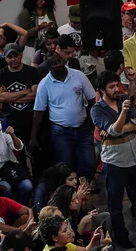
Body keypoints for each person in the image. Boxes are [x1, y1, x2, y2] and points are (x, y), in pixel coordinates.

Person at [91, 71, 136, 248]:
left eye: (116, 86)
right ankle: (122, 237)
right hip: (114, 162)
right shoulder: (97, 110)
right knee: (116, 203)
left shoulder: (123, 98)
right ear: (101, 90)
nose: (116, 90)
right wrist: (123, 115)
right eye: (111, 87)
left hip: (135, 158)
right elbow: (112, 129)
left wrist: (120, 128)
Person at [31, 34, 96, 179]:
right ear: (49, 67)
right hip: (61, 132)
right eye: (54, 64)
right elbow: (38, 113)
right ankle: (73, 196)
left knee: (89, 163)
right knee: (67, 167)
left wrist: (90, 122)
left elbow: (92, 100)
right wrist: (33, 137)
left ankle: (83, 191)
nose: (58, 64)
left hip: (83, 128)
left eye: (59, 61)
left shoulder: (78, 76)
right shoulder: (44, 84)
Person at [0, 117, 32, 205]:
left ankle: (21, 209)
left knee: (27, 186)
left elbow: (19, 147)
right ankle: (7, 213)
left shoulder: (2, 132)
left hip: (11, 169)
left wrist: (12, 134)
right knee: (6, 188)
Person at [17, 0, 57, 65]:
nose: (43, 2)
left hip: (48, 48)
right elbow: (23, 34)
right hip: (32, 48)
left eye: (45, 0)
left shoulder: (48, 11)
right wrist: (39, 28)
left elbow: (56, 27)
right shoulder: (26, 13)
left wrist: (51, 28)